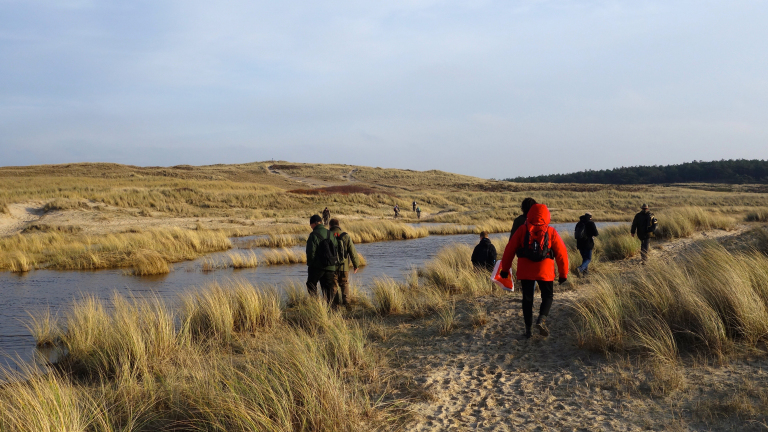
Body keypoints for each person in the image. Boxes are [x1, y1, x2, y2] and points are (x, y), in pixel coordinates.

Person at [499, 203, 568, 339]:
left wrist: (505, 270)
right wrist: (563, 273)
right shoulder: (551, 231)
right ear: (547, 215)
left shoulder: (522, 229)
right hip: (545, 271)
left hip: (526, 271)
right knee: (548, 296)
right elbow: (562, 253)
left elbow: (509, 249)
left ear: (529, 214)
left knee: (527, 299)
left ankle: (528, 330)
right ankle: (541, 320)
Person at [306, 214, 339, 304]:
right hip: (330, 266)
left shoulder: (313, 235)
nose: (310, 226)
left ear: (315, 223)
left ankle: (316, 304)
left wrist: (311, 264)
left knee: (311, 284)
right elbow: (335, 247)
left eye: (311, 224)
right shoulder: (330, 233)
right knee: (328, 288)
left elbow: (310, 252)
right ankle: (331, 310)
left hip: (317, 266)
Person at [328, 218, 361, 308]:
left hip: (331, 267)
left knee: (333, 285)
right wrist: (356, 265)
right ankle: (347, 302)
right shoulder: (345, 236)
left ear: (330, 226)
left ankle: (335, 306)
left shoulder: (327, 235)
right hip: (344, 266)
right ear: (339, 225)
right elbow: (352, 251)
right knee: (344, 283)